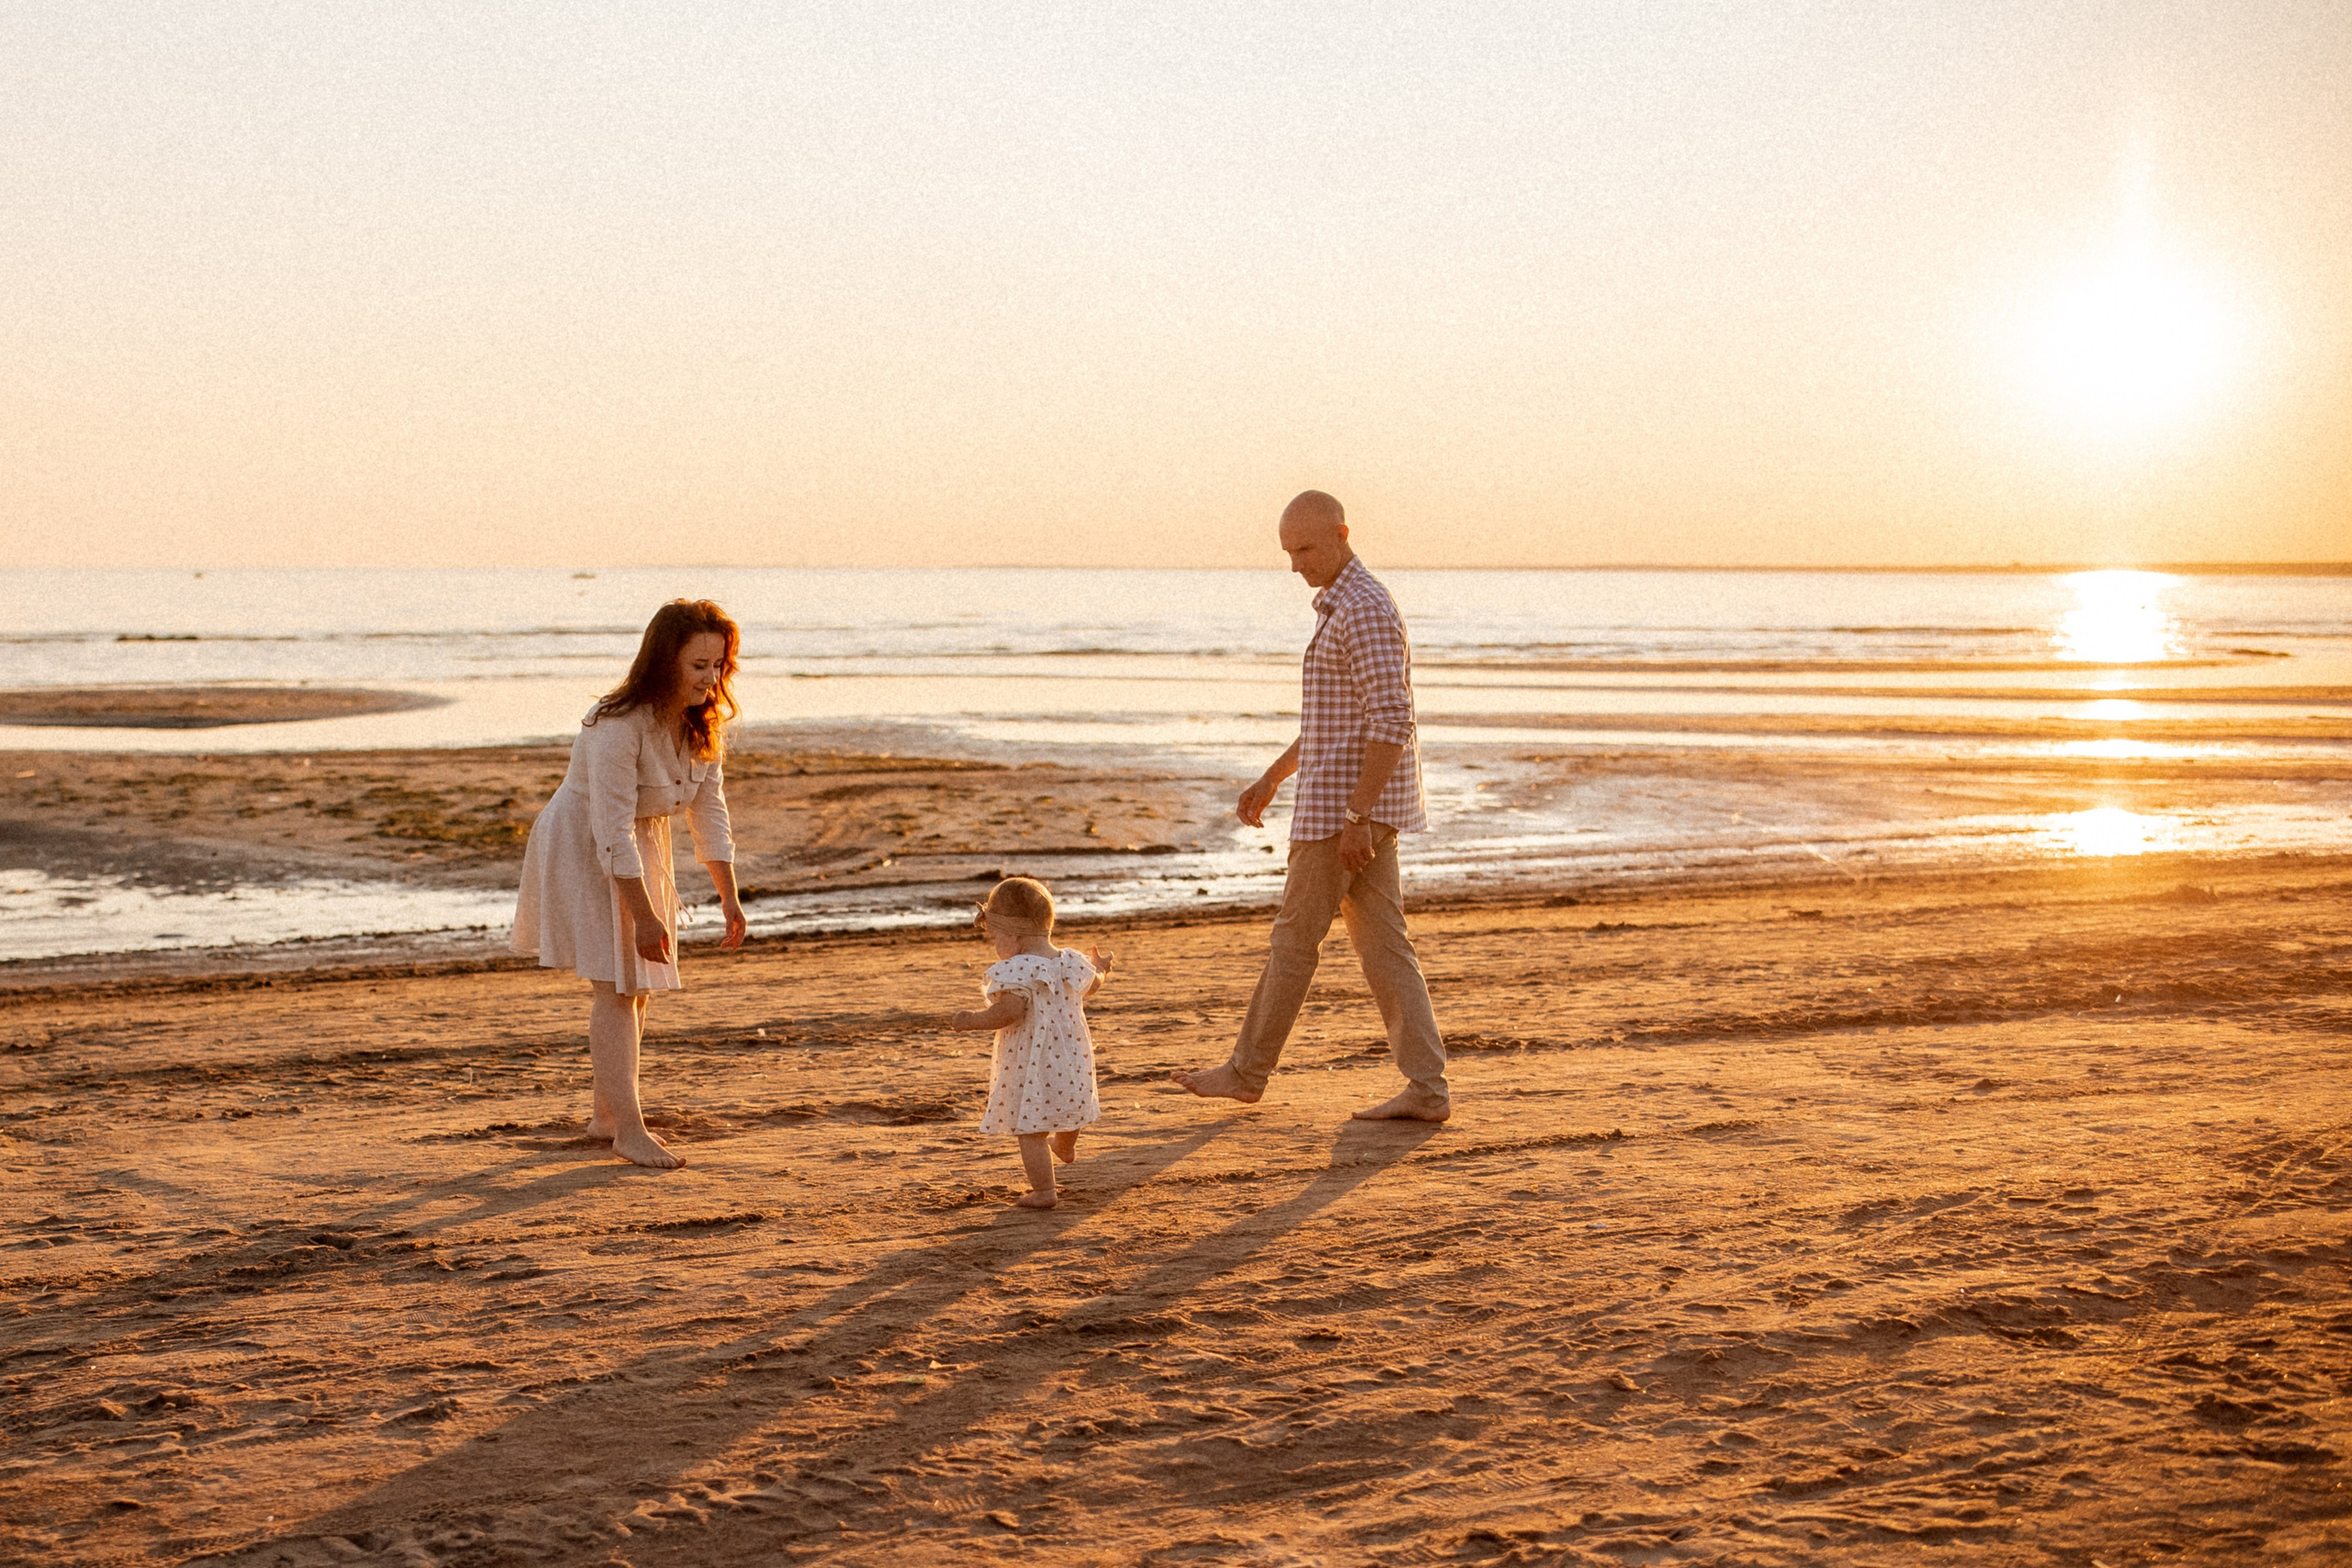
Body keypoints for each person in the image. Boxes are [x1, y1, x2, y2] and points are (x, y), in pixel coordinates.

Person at [1172, 491, 1451, 1122]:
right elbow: (1336, 724)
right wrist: (1273, 776)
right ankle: (1428, 1090)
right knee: (1384, 947)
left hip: (1343, 813)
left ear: (1341, 533)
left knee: (1294, 943)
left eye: (1304, 548)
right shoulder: (1341, 606)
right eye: (1287, 551)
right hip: (1342, 803)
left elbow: (1391, 721)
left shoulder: (1365, 608)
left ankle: (1246, 1073)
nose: (1295, 564)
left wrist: (1357, 817)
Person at [512, 599, 749, 1168]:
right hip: (586, 839)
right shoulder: (615, 724)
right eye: (698, 666)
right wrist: (643, 916)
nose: (711, 679)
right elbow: (610, 829)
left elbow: (708, 811)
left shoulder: (702, 722)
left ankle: (606, 1116)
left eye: (719, 666)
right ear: (664, 661)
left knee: (636, 984)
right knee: (616, 985)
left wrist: (730, 895)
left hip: (642, 843)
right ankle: (629, 1130)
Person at [942, 876, 1114, 1209]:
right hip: (1073, 1057)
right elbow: (1093, 985)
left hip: (1033, 1061)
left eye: (996, 936)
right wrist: (1101, 968)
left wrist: (973, 1020)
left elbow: (1010, 1011)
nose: (995, 944)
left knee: (1030, 1129)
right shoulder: (1071, 961)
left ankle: (1045, 1191)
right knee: (1070, 1108)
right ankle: (1065, 1146)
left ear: (1014, 935)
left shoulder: (1016, 969)